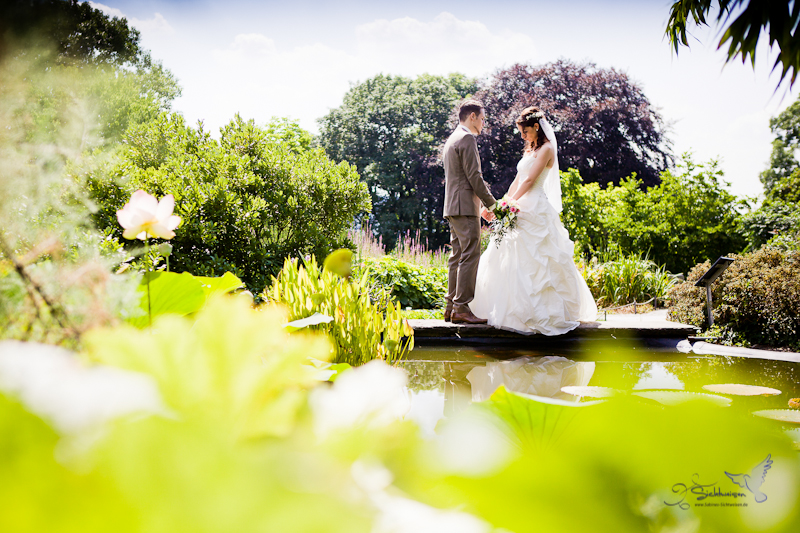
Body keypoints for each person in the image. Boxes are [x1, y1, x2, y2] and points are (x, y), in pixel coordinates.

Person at [469, 106, 598, 335]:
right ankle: (511, 311)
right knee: (511, 258)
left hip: (536, 207)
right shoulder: (530, 150)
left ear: (536, 127)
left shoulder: (547, 149)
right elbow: (518, 180)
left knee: (542, 261)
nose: (523, 136)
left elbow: (529, 181)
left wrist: (508, 206)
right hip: (519, 206)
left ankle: (546, 314)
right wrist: (503, 202)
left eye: (525, 132)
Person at [442, 100, 497, 324]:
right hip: (465, 207)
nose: (483, 124)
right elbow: (474, 177)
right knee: (470, 254)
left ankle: (451, 308)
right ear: (472, 116)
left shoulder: (451, 139)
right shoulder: (466, 138)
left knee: (457, 255)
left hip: (453, 207)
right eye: (483, 119)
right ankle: (462, 308)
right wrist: (492, 205)